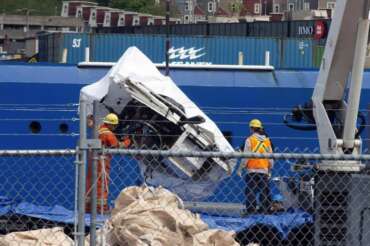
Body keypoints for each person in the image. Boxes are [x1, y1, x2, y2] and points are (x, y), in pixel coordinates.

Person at [86, 113, 131, 213]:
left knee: (90, 183)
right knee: (101, 184)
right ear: (111, 124)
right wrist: (128, 141)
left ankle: (88, 208)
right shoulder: (108, 134)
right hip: (102, 162)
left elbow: (91, 125)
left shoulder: (99, 129)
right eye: (114, 125)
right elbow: (117, 146)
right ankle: (101, 209)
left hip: (92, 159)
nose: (115, 127)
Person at [237, 119, 273, 214]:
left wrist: (240, 169)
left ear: (251, 129)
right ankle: (265, 211)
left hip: (251, 171)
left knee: (251, 191)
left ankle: (251, 211)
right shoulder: (267, 141)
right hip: (264, 171)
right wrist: (270, 170)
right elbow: (271, 157)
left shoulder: (250, 140)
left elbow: (246, 156)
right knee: (264, 192)